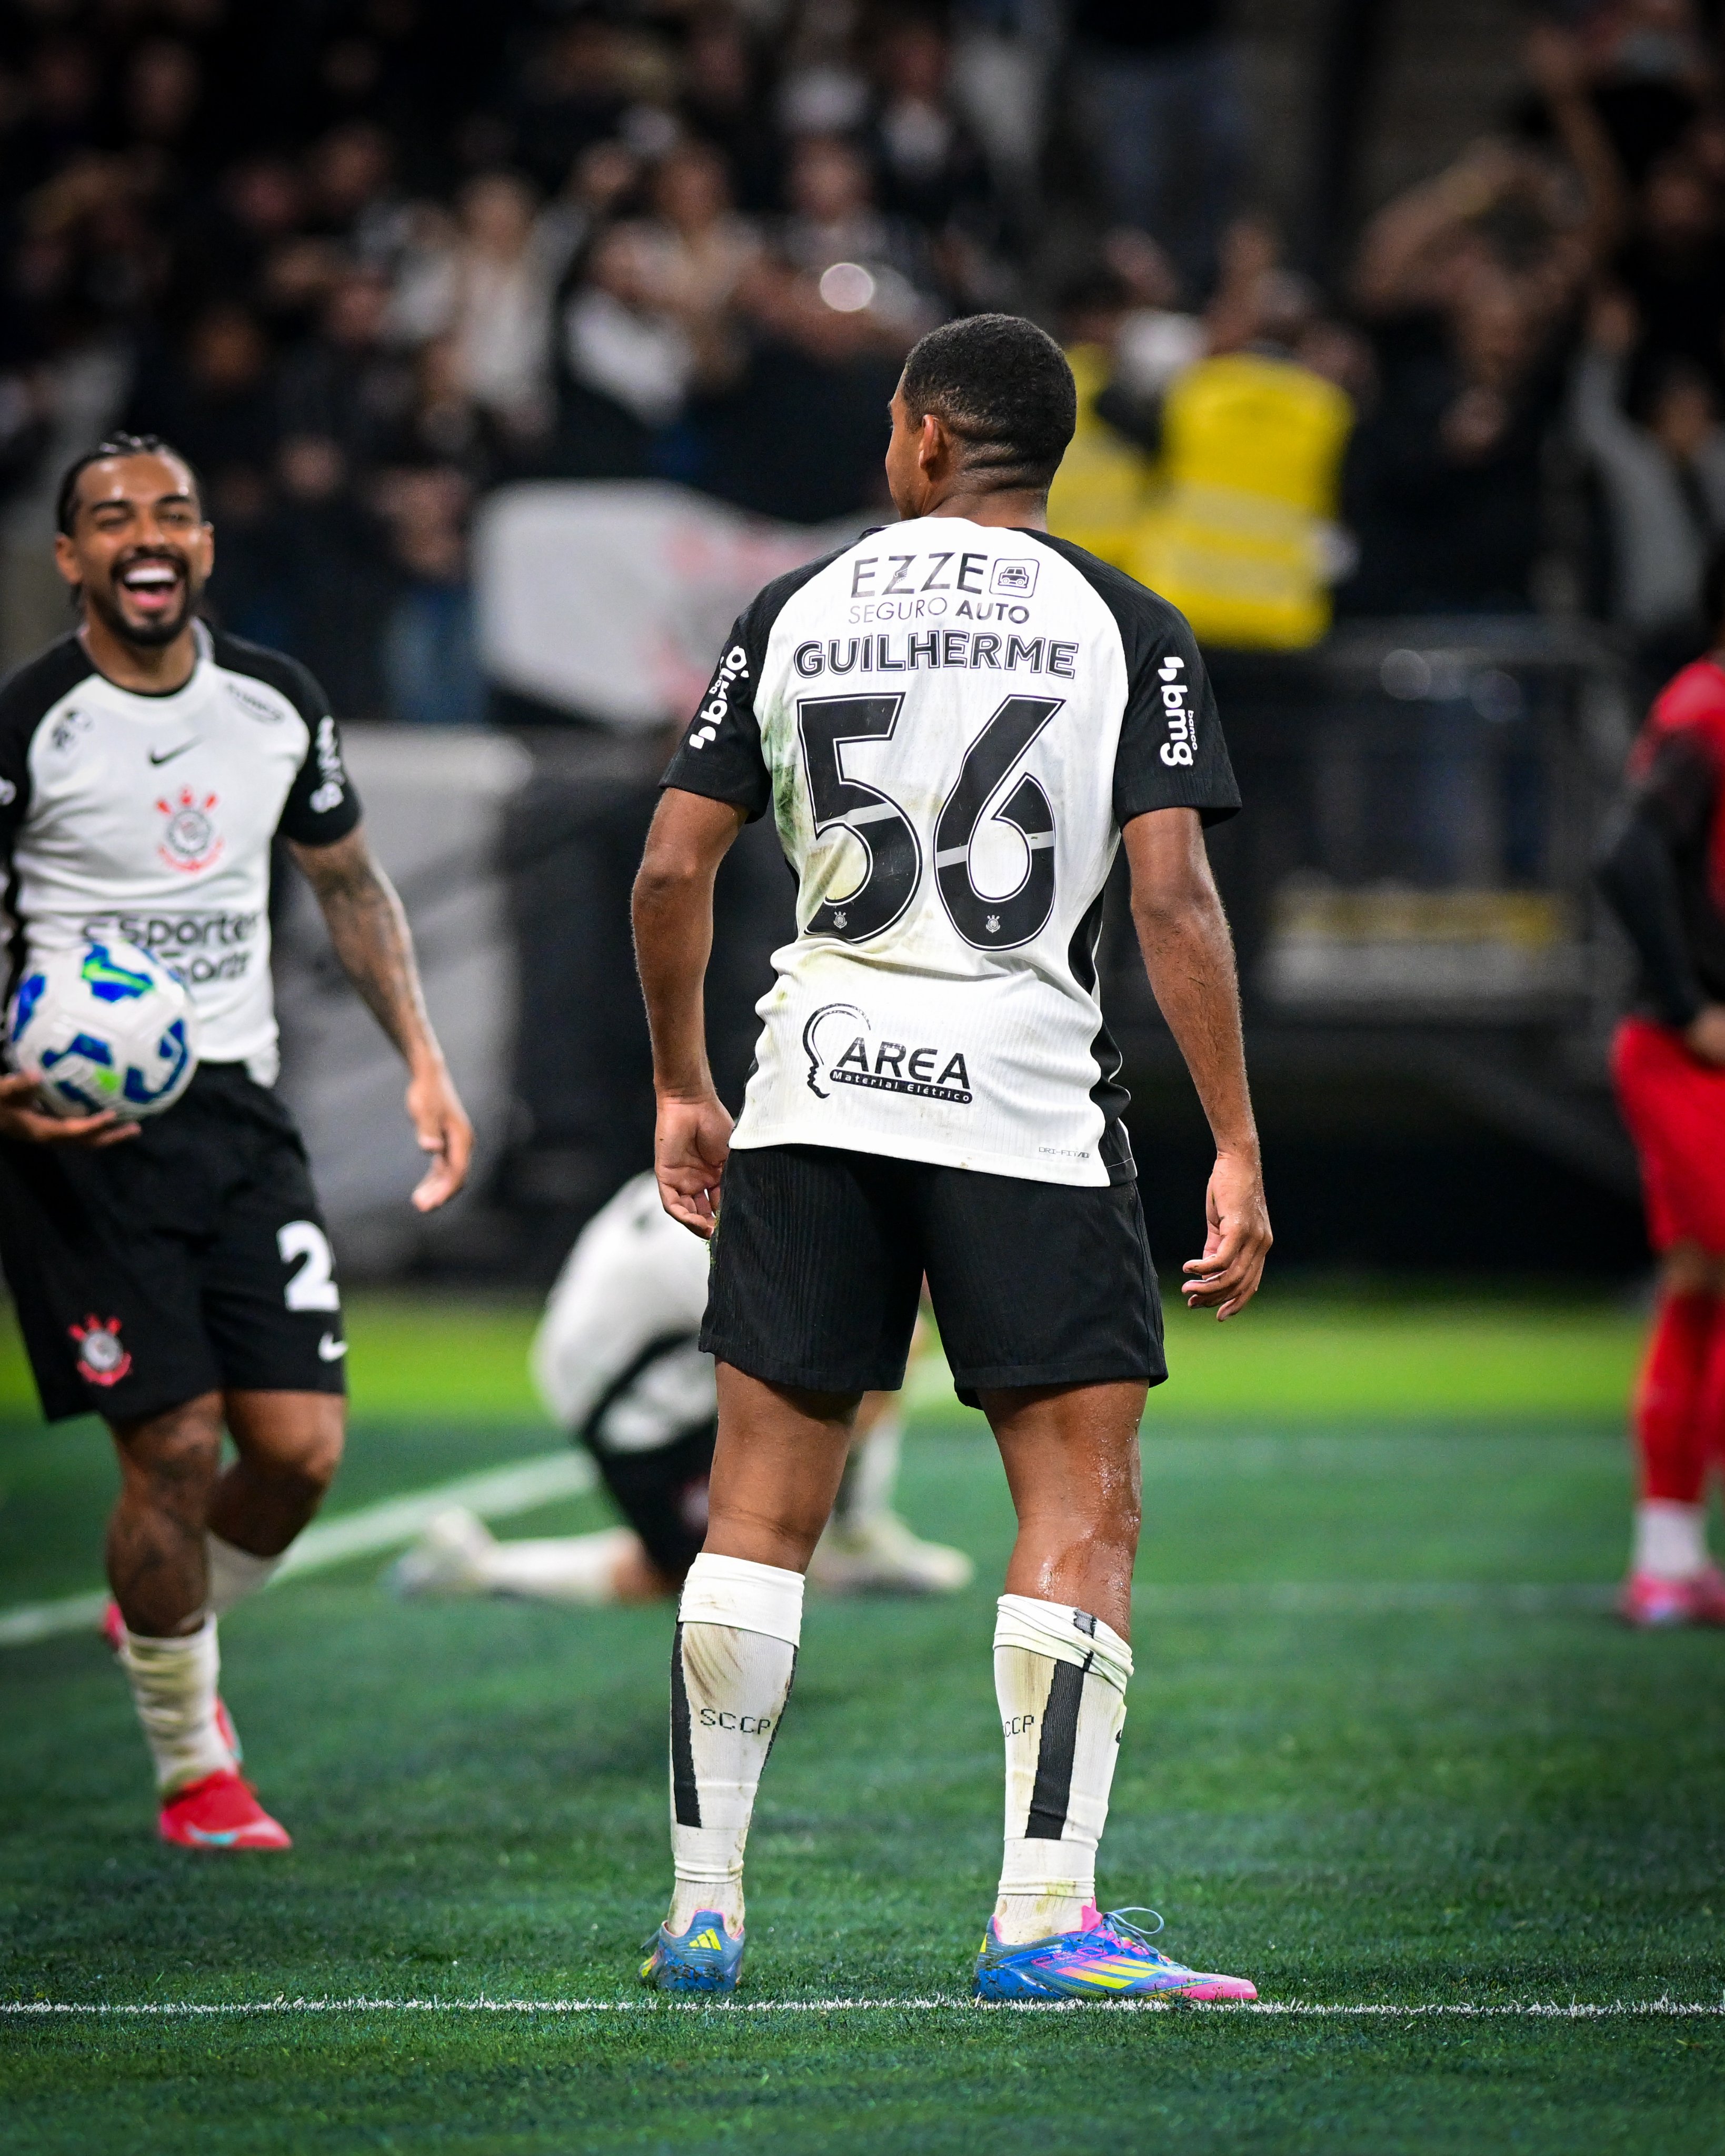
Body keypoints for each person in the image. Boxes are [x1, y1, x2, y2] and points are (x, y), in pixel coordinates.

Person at [630, 313, 1271, 2001]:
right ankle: (1042, 1920)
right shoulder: (1127, 621)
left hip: (815, 1093)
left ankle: (702, 1914)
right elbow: (1171, 900)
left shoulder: (792, 608)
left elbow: (671, 872)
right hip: (1024, 1112)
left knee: (756, 1511)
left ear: (922, 439)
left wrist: (683, 1083)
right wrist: (1234, 1142)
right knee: (1079, 1507)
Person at [0, 433, 471, 1847]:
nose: (146, 536)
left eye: (174, 514)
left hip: (241, 1115)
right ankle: (192, 1766)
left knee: (299, 1454)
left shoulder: (275, 703)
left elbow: (350, 886)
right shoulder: (32, 722)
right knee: (172, 1444)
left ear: (205, 544)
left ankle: (160, 1604)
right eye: (112, 519)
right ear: (72, 556)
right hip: (83, 1136)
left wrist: (425, 1062)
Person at [388, 1169, 971, 1604]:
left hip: (621, 1354)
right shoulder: (760, 1236)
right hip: (629, 1403)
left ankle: (851, 1536)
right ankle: (479, 1569)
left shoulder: (770, 1184)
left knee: (867, 1346)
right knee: (698, 1569)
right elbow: (817, 1349)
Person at [1597, 538, 1725, 1626]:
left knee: (1698, 1288)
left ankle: (1671, 1558)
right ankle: (1665, 1556)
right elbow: (1626, 855)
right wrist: (1688, 1005)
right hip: (1685, 1051)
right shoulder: (1705, 708)